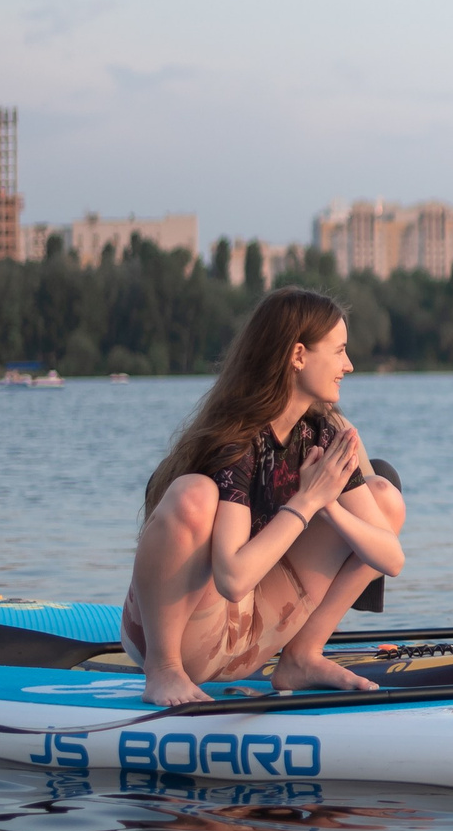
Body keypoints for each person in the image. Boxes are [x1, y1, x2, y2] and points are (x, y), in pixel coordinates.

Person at [128, 288, 408, 709]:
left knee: (382, 497)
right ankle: (162, 670)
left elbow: (392, 558)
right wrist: (306, 502)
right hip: (190, 635)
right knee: (194, 495)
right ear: (298, 355)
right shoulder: (237, 441)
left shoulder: (322, 433)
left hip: (253, 637)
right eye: (339, 352)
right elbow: (233, 579)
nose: (348, 366)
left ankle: (301, 657)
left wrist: (326, 502)